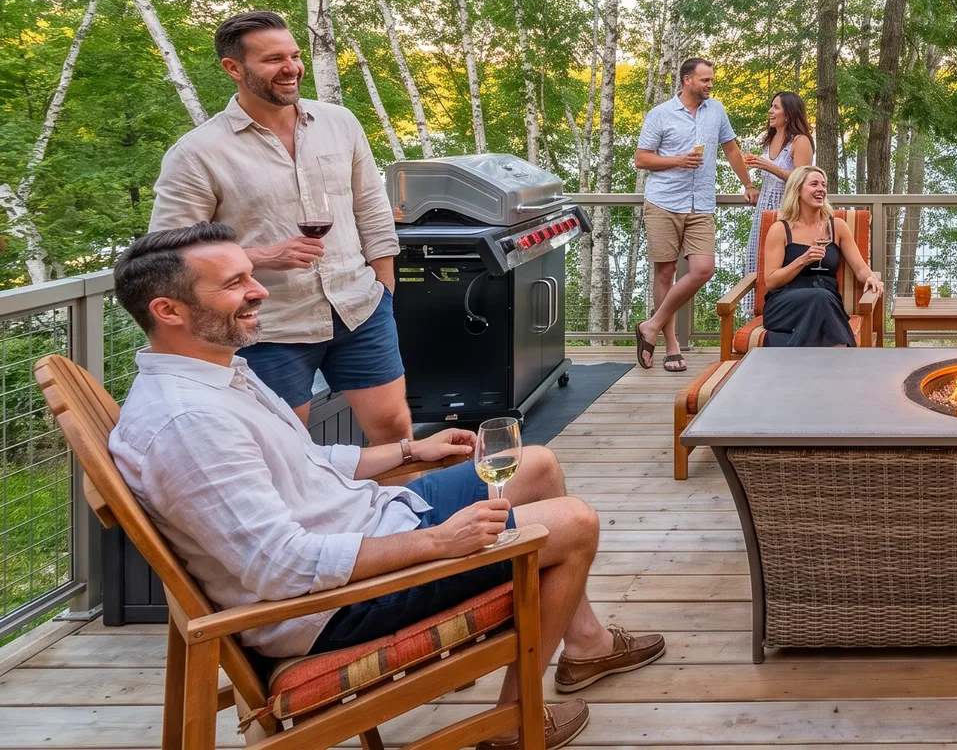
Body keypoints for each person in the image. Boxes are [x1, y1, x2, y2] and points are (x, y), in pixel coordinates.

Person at [108, 223, 665, 749]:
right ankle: (515, 723)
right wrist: (436, 544)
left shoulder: (217, 372)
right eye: (235, 283)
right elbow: (279, 568)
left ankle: (585, 645)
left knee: (533, 464)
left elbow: (304, 461)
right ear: (168, 310)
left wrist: (407, 450)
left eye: (250, 275)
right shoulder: (189, 422)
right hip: (331, 606)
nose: (261, 291)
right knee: (573, 523)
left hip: (369, 523)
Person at [147, 11, 411, 443]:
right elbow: (167, 253)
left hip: (360, 308)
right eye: (273, 59)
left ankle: (408, 513)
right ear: (234, 68)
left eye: (294, 55)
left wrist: (384, 285)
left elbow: (372, 208)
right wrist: (264, 257)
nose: (291, 68)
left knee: (395, 432)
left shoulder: (340, 124)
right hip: (268, 326)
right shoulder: (197, 153)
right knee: (285, 448)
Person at [633, 57, 756, 373]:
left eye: (711, 80)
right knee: (665, 272)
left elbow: (731, 149)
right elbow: (642, 159)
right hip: (663, 202)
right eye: (705, 80)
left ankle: (651, 325)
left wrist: (747, 184)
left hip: (700, 205)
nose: (710, 85)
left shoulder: (716, 111)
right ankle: (671, 345)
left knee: (703, 269)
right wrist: (677, 161)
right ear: (687, 80)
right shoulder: (660, 114)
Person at [757, 166, 880, 347]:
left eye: (823, 185)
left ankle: (784, 353)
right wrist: (802, 260)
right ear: (797, 190)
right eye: (814, 184)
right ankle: (843, 356)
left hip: (827, 304)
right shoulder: (781, 229)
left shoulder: (837, 226)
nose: (821, 189)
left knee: (822, 298)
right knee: (820, 298)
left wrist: (871, 278)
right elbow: (772, 282)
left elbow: (860, 268)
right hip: (786, 305)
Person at [740, 92, 815, 318]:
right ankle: (758, 315)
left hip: (788, 213)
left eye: (776, 108)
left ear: (789, 113)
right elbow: (771, 181)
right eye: (771, 107)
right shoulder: (769, 139)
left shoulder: (800, 141)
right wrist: (752, 190)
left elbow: (802, 179)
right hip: (764, 211)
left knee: (783, 262)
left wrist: (766, 165)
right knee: (757, 260)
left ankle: (786, 313)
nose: (770, 112)